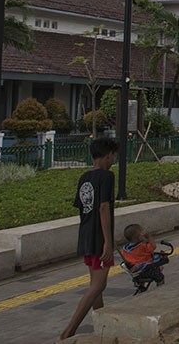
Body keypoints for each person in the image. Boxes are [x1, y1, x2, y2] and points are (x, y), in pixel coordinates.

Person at [60, 137, 119, 340]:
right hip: (99, 236)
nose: (113, 160)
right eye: (113, 156)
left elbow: (83, 208)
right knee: (99, 285)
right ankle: (70, 330)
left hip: (85, 234)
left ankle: (100, 324)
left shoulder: (84, 177)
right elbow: (103, 207)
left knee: (95, 284)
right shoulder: (107, 177)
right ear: (108, 154)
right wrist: (108, 242)